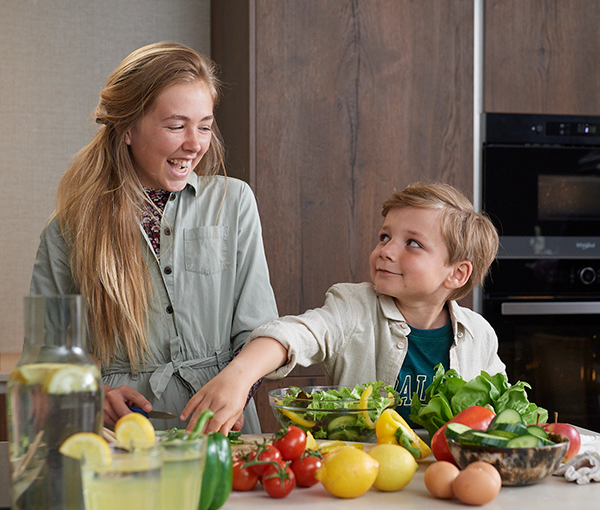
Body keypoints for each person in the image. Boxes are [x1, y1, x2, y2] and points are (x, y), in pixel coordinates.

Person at [30, 42, 278, 433]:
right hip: (122, 438)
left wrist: (240, 380)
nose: (195, 143)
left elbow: (261, 330)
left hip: (221, 434)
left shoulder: (234, 202)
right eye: (176, 125)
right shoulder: (66, 230)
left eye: (205, 125)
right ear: (127, 128)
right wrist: (89, 393)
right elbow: (45, 359)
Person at [181, 181, 506, 433]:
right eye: (384, 236)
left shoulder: (479, 335)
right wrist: (239, 375)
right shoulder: (354, 308)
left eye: (412, 243)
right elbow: (294, 334)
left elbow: (498, 413)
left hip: (444, 479)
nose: (387, 251)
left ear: (456, 273)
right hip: (362, 478)